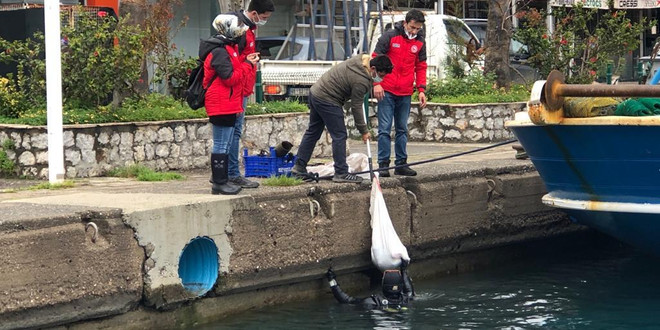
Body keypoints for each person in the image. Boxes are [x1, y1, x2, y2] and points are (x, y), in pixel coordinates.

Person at [291, 54, 393, 183]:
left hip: (316, 92)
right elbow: (357, 107)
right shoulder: (361, 80)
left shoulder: (360, 60)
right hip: (328, 99)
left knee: (313, 132)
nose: (381, 79)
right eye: (381, 75)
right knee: (339, 135)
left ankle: (299, 168)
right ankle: (341, 172)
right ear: (373, 68)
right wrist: (364, 131)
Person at [202, 14, 259, 195]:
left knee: (225, 144)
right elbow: (229, 77)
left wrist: (244, 65)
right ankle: (219, 182)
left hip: (228, 102)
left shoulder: (228, 48)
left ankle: (223, 180)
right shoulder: (219, 51)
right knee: (221, 144)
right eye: (237, 27)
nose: (240, 30)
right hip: (221, 102)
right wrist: (248, 65)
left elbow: (233, 73)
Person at [226, 0, 275, 189]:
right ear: (254, 13)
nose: (264, 21)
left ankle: (231, 173)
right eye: (263, 17)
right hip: (238, 87)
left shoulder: (249, 28)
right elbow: (233, 59)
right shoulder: (239, 29)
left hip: (244, 86)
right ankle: (231, 174)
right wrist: (247, 61)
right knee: (233, 132)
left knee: (235, 132)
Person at [372, 9, 428, 178]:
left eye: (417, 29)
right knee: (384, 129)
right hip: (386, 89)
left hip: (404, 92)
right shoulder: (389, 37)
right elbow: (374, 60)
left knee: (402, 129)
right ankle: (383, 165)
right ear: (405, 23)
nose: (414, 31)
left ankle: (401, 164)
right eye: (412, 27)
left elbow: (421, 66)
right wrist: (377, 84)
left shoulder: (420, 42)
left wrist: (421, 89)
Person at [325, 259, 414, 310]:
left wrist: (331, 280)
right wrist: (403, 270)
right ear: (400, 286)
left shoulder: (373, 302)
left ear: (383, 285)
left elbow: (346, 300)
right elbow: (409, 290)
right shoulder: (406, 299)